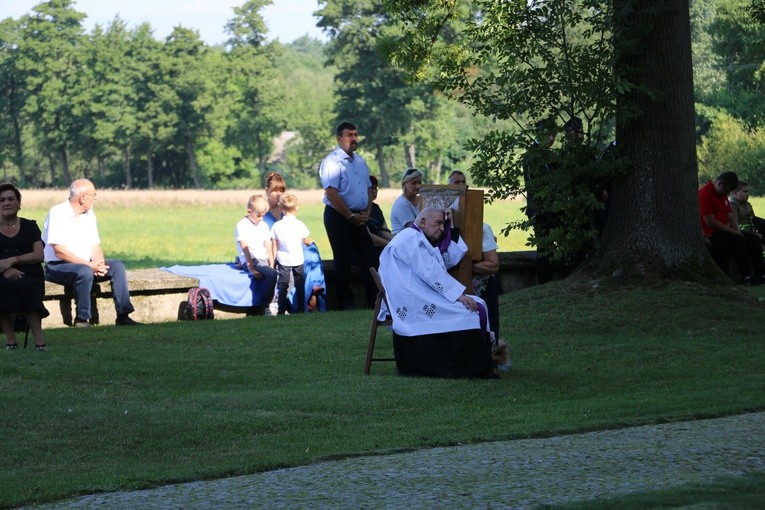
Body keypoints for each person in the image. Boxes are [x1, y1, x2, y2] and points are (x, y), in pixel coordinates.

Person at [378, 207, 496, 379]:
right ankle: (470, 366)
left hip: (414, 294)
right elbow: (430, 272)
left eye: (444, 224)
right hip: (412, 299)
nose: (442, 228)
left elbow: (444, 261)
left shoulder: (415, 238)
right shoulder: (412, 239)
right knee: (467, 311)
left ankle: (480, 361)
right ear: (423, 222)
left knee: (478, 302)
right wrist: (457, 295)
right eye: (438, 223)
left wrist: (453, 228)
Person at [42, 179, 141, 327]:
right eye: (93, 195)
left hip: (86, 264)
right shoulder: (58, 212)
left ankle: (123, 315)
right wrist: (89, 265)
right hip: (57, 267)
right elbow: (59, 252)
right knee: (84, 271)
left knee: (117, 266)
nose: (95, 199)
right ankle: (82, 319)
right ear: (82, 198)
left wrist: (98, 263)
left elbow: (94, 244)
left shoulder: (89, 214)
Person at [319, 121, 377, 310]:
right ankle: (346, 304)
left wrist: (367, 211)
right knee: (342, 259)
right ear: (339, 138)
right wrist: (350, 217)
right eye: (349, 135)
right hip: (339, 216)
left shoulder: (360, 161)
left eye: (355, 135)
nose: (353, 139)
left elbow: (368, 188)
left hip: (360, 217)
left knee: (369, 258)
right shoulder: (332, 163)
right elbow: (332, 194)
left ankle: (375, 301)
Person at [0, 183, 48, 350]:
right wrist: (6, 269)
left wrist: (13, 260)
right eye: (2, 200)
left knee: (27, 286)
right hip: (1, 275)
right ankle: (11, 341)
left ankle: (39, 342)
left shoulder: (30, 226)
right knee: (1, 287)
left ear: (19, 203)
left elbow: (39, 255)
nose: (6, 203)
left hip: (30, 273)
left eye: (11, 199)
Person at [699, 172, 765, 285]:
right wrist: (734, 233)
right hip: (712, 232)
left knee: (752, 239)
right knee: (736, 240)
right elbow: (710, 222)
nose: (727, 194)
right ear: (720, 184)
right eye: (726, 191)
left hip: (726, 230)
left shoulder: (722, 194)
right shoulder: (704, 193)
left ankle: (761, 274)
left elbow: (730, 217)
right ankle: (746, 276)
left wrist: (738, 232)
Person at [270, 194, 312, 314]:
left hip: (284, 259)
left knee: (283, 285)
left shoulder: (277, 226)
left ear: (281, 208)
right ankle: (301, 309)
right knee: (300, 285)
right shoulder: (300, 225)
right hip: (298, 258)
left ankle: (281, 310)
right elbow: (306, 239)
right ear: (297, 208)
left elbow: (274, 244)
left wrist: (273, 261)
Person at [234, 194, 277, 309]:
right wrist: (251, 269)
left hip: (264, 259)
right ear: (249, 211)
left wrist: (272, 263)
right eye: (258, 215)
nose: (261, 218)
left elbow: (268, 245)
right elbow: (245, 248)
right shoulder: (242, 225)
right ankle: (266, 305)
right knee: (272, 275)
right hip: (252, 260)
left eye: (263, 215)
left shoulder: (263, 225)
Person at [367, 175, 394, 261]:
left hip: (380, 248)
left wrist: (399, 242)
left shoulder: (375, 208)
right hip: (365, 251)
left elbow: (384, 231)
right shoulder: (357, 209)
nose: (374, 191)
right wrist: (392, 245)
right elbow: (370, 238)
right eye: (371, 188)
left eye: (376, 188)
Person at [390, 168, 422, 235]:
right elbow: (413, 228)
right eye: (414, 183)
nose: (418, 186)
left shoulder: (422, 200)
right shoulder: (401, 204)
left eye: (419, 182)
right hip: (404, 241)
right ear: (404, 185)